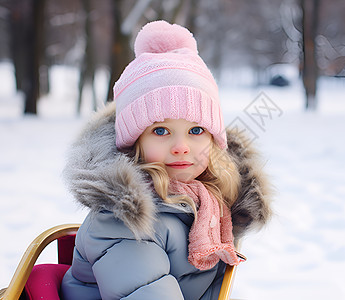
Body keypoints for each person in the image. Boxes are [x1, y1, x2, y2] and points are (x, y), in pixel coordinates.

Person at [61, 20, 272, 300]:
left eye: (196, 130)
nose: (182, 147)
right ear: (133, 143)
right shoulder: (125, 221)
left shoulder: (207, 204)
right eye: (161, 131)